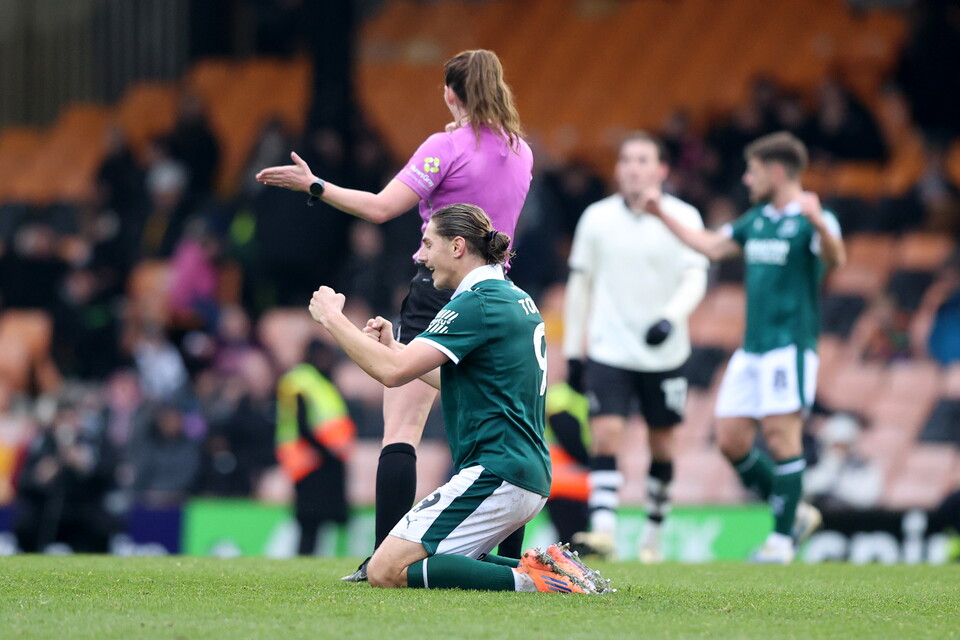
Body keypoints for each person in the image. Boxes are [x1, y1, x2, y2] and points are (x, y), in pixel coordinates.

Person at [256, 49, 533, 580]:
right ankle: (501, 562)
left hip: (439, 289)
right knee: (495, 430)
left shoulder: (444, 147)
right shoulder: (522, 152)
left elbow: (382, 208)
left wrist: (314, 185)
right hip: (496, 293)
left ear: (452, 93)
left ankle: (383, 561)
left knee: (403, 427)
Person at [307, 203, 609, 594]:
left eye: (428, 244)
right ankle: (549, 567)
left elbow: (391, 374)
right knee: (431, 560)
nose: (422, 256)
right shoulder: (513, 297)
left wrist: (332, 318)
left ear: (457, 246)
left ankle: (536, 581)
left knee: (385, 570)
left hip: (498, 472)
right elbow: (458, 381)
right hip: (519, 472)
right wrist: (397, 346)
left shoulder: (476, 302)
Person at [645, 131, 845, 563]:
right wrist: (661, 212)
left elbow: (836, 258)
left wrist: (818, 224)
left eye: (752, 171)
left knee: (781, 437)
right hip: (752, 349)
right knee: (731, 439)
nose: (746, 178)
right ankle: (796, 510)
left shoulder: (812, 216)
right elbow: (711, 245)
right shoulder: (756, 220)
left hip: (788, 348)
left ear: (776, 171)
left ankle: (781, 540)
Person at [563, 132, 708, 562]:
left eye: (643, 160)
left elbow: (696, 275)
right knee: (606, 435)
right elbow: (579, 283)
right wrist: (574, 348)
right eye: (626, 159)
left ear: (662, 170)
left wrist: (671, 318)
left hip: (666, 353)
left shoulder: (684, 216)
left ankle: (654, 534)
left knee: (662, 445)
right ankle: (604, 529)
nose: (633, 167)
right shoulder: (596, 218)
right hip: (610, 348)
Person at [275, 339, 356, 556]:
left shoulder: (320, 381)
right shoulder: (301, 380)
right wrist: (327, 452)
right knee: (310, 518)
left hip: (321, 457)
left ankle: (309, 557)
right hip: (309, 456)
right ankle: (305, 557)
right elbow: (301, 423)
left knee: (318, 518)